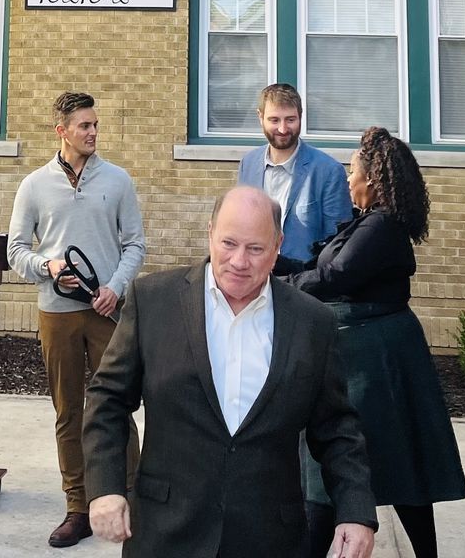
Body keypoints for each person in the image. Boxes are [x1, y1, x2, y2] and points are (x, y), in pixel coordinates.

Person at [82, 187, 377, 558]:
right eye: (228, 243)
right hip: (165, 532)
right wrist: (105, 488)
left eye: (255, 249)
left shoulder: (311, 322)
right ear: (210, 234)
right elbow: (107, 399)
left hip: (269, 538)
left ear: (277, 247)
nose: (239, 261)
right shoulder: (153, 301)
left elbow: (337, 429)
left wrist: (355, 513)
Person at [281, 127, 465, 558]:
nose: (348, 180)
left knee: (354, 456)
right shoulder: (368, 224)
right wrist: (275, 264)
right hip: (364, 352)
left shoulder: (381, 226)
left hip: (375, 358)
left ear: (374, 180)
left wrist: (282, 284)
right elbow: (321, 265)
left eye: (353, 172)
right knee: (380, 460)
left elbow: (334, 277)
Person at [6, 90, 146, 547]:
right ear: (61, 131)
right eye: (84, 126)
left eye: (95, 125)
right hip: (57, 314)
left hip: (107, 313)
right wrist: (47, 268)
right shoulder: (34, 185)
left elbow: (135, 245)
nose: (92, 133)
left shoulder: (118, 180)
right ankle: (77, 507)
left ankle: (130, 499)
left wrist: (115, 288)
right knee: (68, 413)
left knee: (117, 408)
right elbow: (16, 252)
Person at [238, 83, 353, 262]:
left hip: (304, 284)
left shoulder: (329, 171)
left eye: (290, 120)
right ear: (260, 117)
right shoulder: (248, 164)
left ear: (301, 116)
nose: (283, 129)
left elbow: (337, 247)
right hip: (253, 278)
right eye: (274, 120)